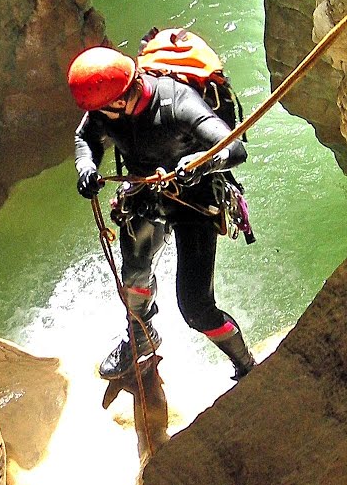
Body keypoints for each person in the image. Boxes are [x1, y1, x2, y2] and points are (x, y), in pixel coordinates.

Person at [68, 44, 257, 381]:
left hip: (194, 203)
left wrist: (202, 163)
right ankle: (140, 339)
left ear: (122, 98)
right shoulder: (105, 104)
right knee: (133, 277)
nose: (98, 117)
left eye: (102, 112)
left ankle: (247, 366)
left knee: (196, 308)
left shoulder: (179, 102)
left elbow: (234, 148)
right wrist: (86, 167)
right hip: (146, 193)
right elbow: (86, 136)